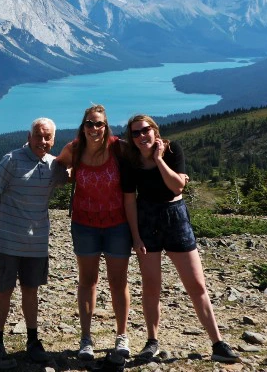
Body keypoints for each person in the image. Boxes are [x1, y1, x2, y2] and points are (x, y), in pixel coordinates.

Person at [120, 114, 241, 364]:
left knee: (196, 285)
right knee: (151, 286)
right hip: (146, 220)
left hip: (175, 218)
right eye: (135, 133)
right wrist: (135, 236)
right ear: (131, 138)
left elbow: (177, 187)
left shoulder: (173, 149)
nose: (141, 136)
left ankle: (217, 343)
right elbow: (129, 200)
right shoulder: (130, 161)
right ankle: (152, 341)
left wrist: (158, 160)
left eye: (145, 130)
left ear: (155, 130)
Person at [0, 117, 66, 363]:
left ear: (54, 140)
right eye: (38, 135)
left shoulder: (54, 166)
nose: (42, 141)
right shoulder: (11, 160)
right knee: (3, 290)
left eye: (47, 137)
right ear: (29, 137)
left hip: (36, 244)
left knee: (31, 291)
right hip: (6, 242)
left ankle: (32, 339)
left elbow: (81, 171)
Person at [56, 105, 131, 363]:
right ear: (83, 126)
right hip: (84, 223)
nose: (94, 129)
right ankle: (86, 339)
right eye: (90, 124)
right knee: (87, 280)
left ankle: (122, 336)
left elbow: (142, 156)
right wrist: (66, 175)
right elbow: (58, 164)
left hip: (117, 224)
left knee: (118, 282)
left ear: (106, 126)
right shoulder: (75, 149)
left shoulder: (118, 148)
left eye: (99, 124)